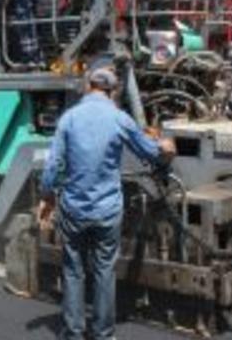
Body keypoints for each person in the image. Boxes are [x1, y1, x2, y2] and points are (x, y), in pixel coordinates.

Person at [37, 68, 176, 340]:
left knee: (73, 271)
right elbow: (150, 153)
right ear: (112, 91)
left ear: (88, 86)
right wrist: (166, 147)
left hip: (74, 209)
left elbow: (53, 165)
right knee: (103, 271)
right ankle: (103, 333)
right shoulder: (119, 118)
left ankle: (73, 332)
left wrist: (47, 197)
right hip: (107, 211)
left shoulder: (69, 119)